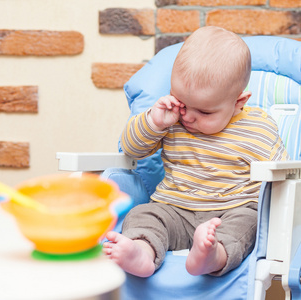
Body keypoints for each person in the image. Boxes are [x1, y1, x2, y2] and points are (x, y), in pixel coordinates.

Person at [103, 26, 290, 278]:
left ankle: (213, 256)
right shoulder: (170, 120)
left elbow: (286, 177)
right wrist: (154, 122)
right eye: (182, 103)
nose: (188, 116)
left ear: (238, 102)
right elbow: (131, 149)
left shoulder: (258, 128)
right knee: (143, 213)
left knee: (249, 224)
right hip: (175, 208)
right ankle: (141, 251)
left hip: (231, 210)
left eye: (204, 112)